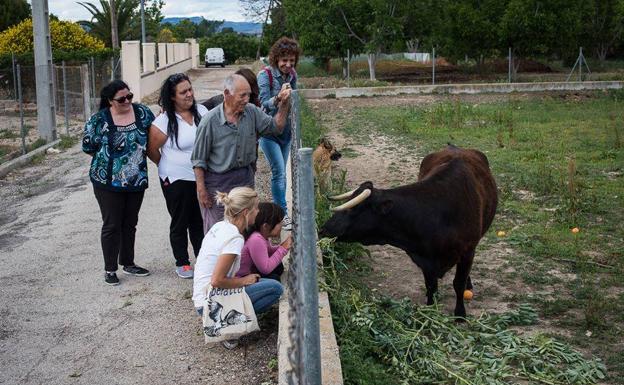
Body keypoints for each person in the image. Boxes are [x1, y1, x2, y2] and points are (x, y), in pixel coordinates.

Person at [191, 73, 292, 233]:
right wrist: (201, 191)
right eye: (242, 95)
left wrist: (284, 104)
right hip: (218, 186)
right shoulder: (209, 122)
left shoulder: (252, 112)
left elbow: (276, 127)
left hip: (245, 180)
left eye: (248, 95)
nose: (246, 99)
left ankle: (242, 259)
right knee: (219, 231)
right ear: (226, 94)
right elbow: (198, 160)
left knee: (245, 229)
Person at [82, 80, 155, 286]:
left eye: (129, 96)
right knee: (112, 224)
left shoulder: (143, 113)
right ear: (110, 101)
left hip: (136, 179)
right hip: (106, 182)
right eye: (121, 99)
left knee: (130, 223)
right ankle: (110, 269)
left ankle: (128, 263)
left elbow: (154, 137)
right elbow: (88, 146)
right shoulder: (98, 120)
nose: (127, 101)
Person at [192, 187, 284, 349]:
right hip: (210, 302)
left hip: (202, 297)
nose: (258, 211)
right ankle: (227, 327)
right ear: (246, 212)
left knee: (267, 282)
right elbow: (217, 280)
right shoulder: (234, 238)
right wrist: (244, 280)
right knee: (275, 288)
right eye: (255, 208)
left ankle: (223, 320)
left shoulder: (220, 226)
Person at [147, 73, 208, 279]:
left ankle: (203, 257)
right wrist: (167, 166)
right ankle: (182, 262)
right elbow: (153, 150)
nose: (189, 94)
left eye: (190, 89)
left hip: (201, 177)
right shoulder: (163, 122)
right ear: (172, 97)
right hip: (175, 179)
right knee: (181, 220)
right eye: (183, 92)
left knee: (200, 220)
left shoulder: (202, 111)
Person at [257, 37, 301, 230]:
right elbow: (263, 102)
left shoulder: (293, 75)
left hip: (286, 132)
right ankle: (281, 214)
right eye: (284, 60)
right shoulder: (264, 75)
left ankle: (278, 212)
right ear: (276, 59)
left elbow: (296, 100)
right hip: (269, 132)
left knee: (281, 172)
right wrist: (279, 98)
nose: (288, 64)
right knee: (279, 173)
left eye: (291, 60)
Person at [238, 202, 292, 281]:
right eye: (279, 223)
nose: (282, 225)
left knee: (278, 266)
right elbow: (265, 269)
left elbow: (267, 251)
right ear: (266, 226)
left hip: (252, 269)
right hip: (241, 279)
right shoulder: (256, 239)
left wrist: (282, 246)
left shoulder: (259, 235)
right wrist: (283, 249)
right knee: (274, 281)